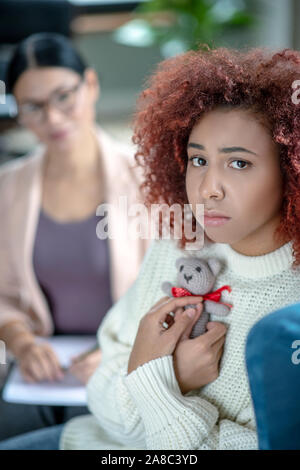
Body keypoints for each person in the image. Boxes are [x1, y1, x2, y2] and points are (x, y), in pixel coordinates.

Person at [0, 44, 299, 450]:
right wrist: (163, 376)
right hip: (91, 439)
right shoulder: (180, 243)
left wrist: (153, 376)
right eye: (198, 160)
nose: (209, 188)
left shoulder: (288, 314)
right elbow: (104, 383)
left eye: (239, 163)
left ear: (290, 167)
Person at [0, 32, 150, 440]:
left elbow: (175, 286)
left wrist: (118, 351)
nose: (52, 118)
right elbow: (4, 298)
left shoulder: (147, 178)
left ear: (91, 85)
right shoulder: (8, 188)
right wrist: (22, 343)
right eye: (33, 107)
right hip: (42, 375)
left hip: (131, 362)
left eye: (64, 96)